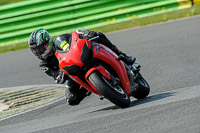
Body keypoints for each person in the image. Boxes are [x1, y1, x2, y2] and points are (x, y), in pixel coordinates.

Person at [28, 28, 135, 106]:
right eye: (36, 50)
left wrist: (85, 34)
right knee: (71, 99)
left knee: (98, 35)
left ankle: (122, 55)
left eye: (40, 48)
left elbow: (74, 38)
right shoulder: (44, 64)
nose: (38, 51)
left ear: (47, 43)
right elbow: (55, 76)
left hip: (81, 57)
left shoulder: (59, 41)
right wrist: (60, 75)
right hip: (72, 73)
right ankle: (93, 87)